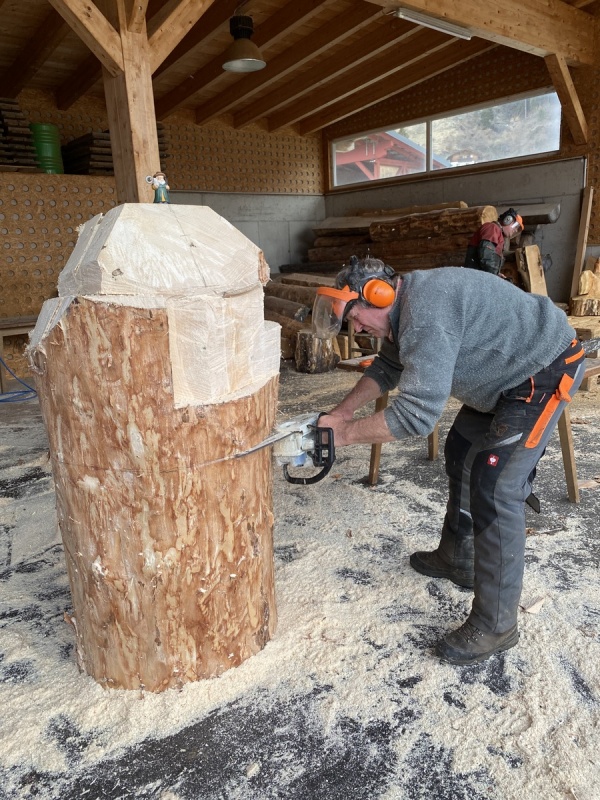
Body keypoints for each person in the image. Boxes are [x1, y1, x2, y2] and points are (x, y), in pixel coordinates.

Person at [312, 256, 586, 666]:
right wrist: (341, 413)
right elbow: (387, 367)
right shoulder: (406, 308)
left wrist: (343, 435)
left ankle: (497, 624)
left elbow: (416, 416)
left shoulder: (425, 312)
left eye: (355, 317)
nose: (358, 329)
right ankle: (459, 556)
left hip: (542, 370)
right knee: (460, 449)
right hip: (503, 377)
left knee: (496, 486)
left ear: (379, 295)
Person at [464, 208, 523, 275]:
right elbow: (486, 255)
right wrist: (494, 275)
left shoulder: (498, 233)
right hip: (475, 274)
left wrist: (497, 274)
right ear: (507, 220)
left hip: (480, 274)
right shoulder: (492, 228)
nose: (515, 230)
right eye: (515, 226)